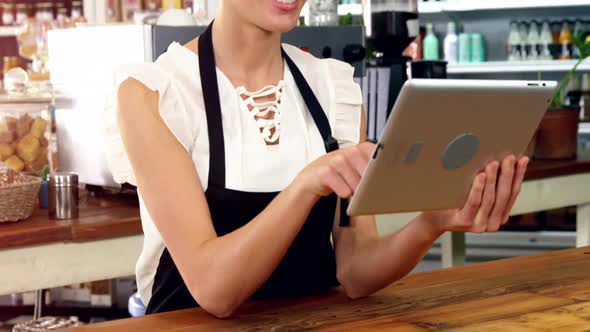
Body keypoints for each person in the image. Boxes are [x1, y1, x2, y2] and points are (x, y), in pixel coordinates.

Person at [106, 0, 529, 318]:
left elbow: (356, 270)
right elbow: (214, 289)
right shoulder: (155, 95)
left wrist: (431, 223)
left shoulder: (333, 89)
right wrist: (307, 185)